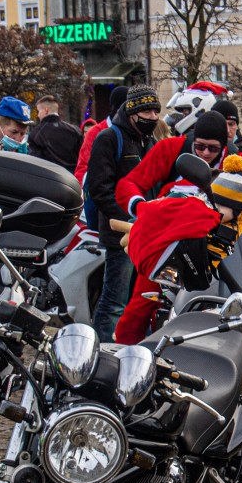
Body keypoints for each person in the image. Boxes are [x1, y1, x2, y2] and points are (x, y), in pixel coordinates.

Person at [115, 155, 242, 345]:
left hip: (224, 285)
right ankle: (128, 351)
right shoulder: (195, 212)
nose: (219, 210)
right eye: (218, 203)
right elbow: (158, 216)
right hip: (181, 274)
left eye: (227, 207)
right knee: (140, 306)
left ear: (239, 210)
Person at [83, 86, 162, 340]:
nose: (152, 116)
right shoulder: (108, 138)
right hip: (121, 237)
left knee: (139, 301)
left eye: (156, 111)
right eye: (147, 111)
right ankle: (102, 350)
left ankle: (132, 348)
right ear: (131, 112)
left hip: (147, 235)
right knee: (114, 300)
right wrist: (127, 218)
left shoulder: (149, 142)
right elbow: (100, 188)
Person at [118, 102, 227, 215]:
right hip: (168, 220)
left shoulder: (236, 161)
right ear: (194, 140)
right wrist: (139, 207)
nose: (206, 152)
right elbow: (130, 183)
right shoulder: (169, 148)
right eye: (200, 146)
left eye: (213, 148)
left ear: (223, 146)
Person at [27, 93, 82, 170]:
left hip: (49, 178)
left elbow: (34, 162)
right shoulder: (75, 130)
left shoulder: (36, 133)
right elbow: (82, 158)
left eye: (38, 111)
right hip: (72, 178)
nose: (38, 115)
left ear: (46, 110)